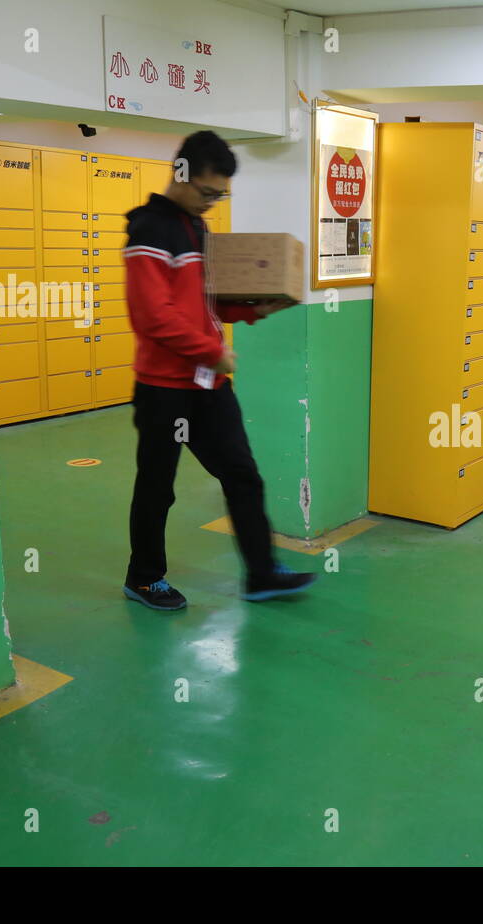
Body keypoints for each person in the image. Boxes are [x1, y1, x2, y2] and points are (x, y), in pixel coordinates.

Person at [121, 130, 316, 610]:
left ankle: (262, 573)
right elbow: (152, 315)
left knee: (243, 474)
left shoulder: (196, 228)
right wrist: (211, 353)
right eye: (208, 192)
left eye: (220, 195)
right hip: (164, 388)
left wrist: (252, 310)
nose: (212, 203)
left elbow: (200, 306)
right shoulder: (150, 228)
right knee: (157, 487)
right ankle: (144, 578)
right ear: (181, 173)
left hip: (209, 385)